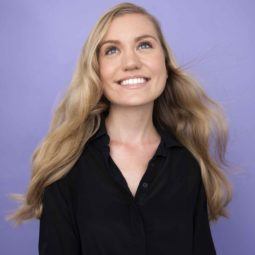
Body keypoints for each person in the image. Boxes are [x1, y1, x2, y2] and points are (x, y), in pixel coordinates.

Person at [7, 2, 233, 254]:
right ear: (96, 70)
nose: (131, 62)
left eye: (144, 45)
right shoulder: (65, 166)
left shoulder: (189, 164)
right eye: (112, 50)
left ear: (166, 64)